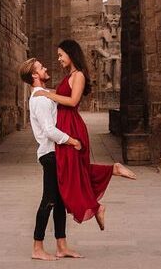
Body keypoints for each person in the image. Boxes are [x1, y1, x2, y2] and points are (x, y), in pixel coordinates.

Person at [34, 39, 136, 231]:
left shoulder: (79, 75)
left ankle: (99, 201)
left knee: (72, 170)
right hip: (64, 125)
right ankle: (109, 177)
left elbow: (72, 101)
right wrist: (46, 92)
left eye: (60, 55)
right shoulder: (70, 75)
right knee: (73, 169)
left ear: (70, 54)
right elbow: (61, 95)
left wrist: (48, 95)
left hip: (72, 126)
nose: (58, 59)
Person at [19, 58, 83, 261]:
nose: (45, 68)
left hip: (53, 154)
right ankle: (37, 247)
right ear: (35, 75)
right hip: (50, 154)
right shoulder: (40, 99)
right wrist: (72, 140)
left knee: (60, 201)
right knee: (48, 200)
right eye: (41, 67)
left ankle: (61, 246)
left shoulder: (43, 97)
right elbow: (49, 130)